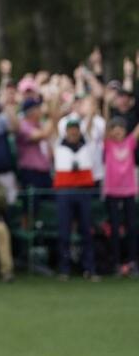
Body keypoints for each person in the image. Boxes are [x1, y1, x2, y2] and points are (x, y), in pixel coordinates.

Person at [51, 118, 99, 281]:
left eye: (76, 129)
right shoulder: (59, 144)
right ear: (66, 131)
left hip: (84, 191)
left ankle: (89, 269)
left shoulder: (87, 144)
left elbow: (91, 122)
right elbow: (53, 117)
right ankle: (64, 269)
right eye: (70, 129)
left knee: (86, 231)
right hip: (64, 192)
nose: (73, 132)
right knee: (64, 232)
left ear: (79, 130)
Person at [102, 116, 139, 276]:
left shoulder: (130, 142)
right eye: (114, 128)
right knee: (115, 229)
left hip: (129, 191)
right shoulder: (108, 145)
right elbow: (104, 129)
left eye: (121, 128)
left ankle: (132, 262)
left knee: (132, 228)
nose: (117, 131)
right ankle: (116, 263)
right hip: (112, 192)